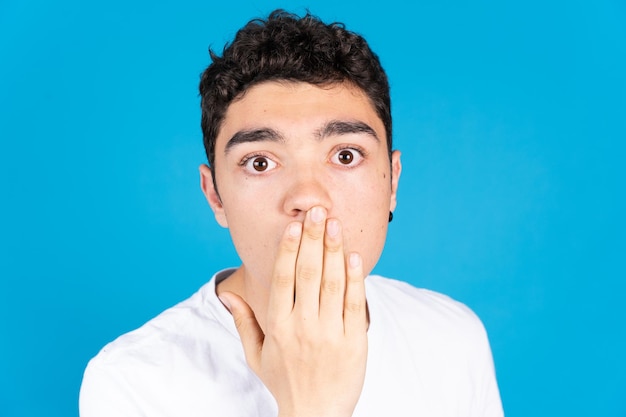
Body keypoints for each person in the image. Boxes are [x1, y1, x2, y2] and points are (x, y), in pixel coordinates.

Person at [79, 9, 504, 417]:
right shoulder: (131, 383)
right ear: (216, 197)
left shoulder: (453, 337)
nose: (308, 197)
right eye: (260, 162)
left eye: (345, 155)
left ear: (392, 182)